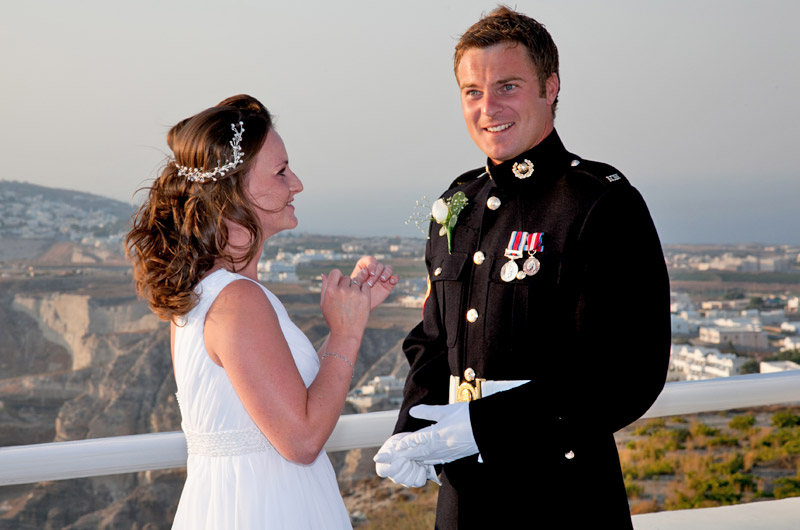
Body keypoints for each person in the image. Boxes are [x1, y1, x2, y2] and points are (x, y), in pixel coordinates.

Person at [374, 7, 670, 529]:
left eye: (507, 86)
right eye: (472, 91)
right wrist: (414, 426)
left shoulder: (598, 204)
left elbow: (627, 372)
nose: (488, 108)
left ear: (550, 87)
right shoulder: (457, 202)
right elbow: (434, 338)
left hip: (561, 497)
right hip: (464, 501)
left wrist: (483, 427)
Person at [126, 94, 398, 529]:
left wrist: (354, 313)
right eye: (281, 171)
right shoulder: (238, 300)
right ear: (233, 190)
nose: (297, 183)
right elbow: (302, 439)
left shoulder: (203, 294)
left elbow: (277, 404)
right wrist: (345, 335)